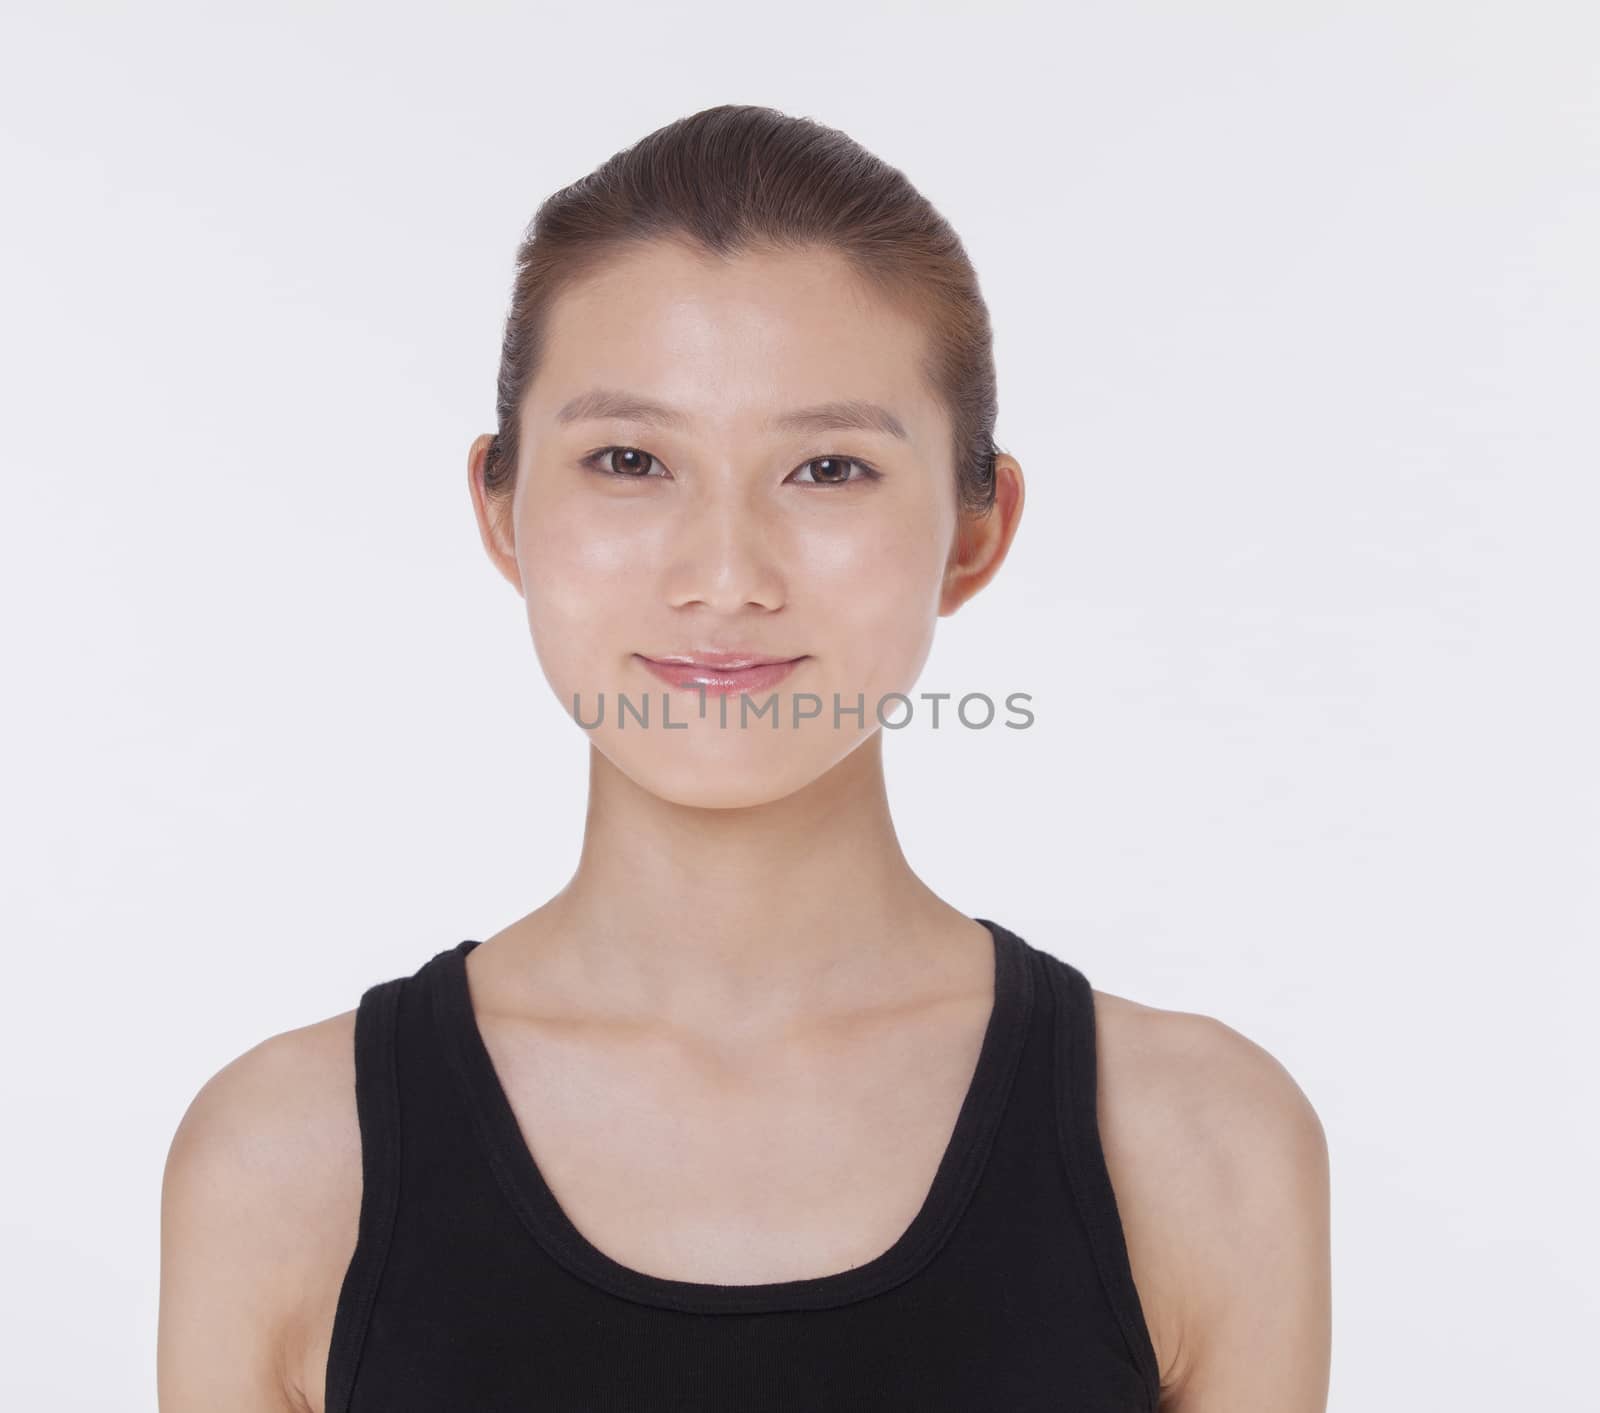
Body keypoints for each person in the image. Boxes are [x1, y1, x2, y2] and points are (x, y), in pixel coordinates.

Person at [157, 104, 1331, 1412]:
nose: (724, 576)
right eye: (628, 460)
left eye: (827, 467)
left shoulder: (1195, 1147)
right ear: (502, 509)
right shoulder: (285, 1161)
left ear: (973, 530)